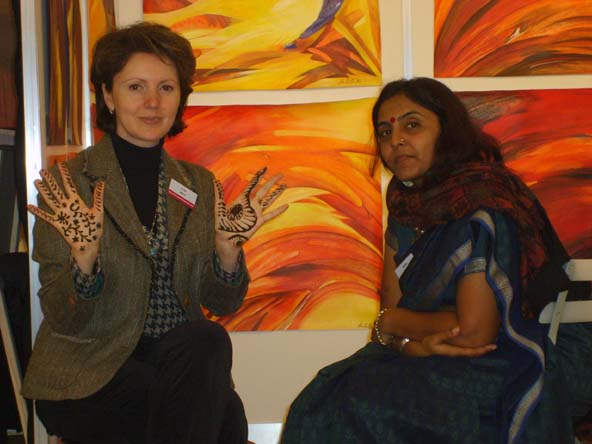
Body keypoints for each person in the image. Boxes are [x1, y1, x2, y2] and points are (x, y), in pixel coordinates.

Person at [281, 77, 592, 443]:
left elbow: (473, 331)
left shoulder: (482, 200)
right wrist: (411, 344)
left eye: (412, 125)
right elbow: (389, 320)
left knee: (357, 402)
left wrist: (396, 324)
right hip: (429, 356)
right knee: (319, 400)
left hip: (502, 364)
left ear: (447, 132)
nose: (396, 140)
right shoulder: (405, 206)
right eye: (385, 132)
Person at [22, 22, 287, 444]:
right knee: (225, 421)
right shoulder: (69, 185)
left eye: (166, 88)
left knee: (207, 339)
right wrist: (84, 266)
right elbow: (63, 315)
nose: (152, 102)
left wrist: (226, 254)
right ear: (108, 95)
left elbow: (221, 303)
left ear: (180, 97)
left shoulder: (198, 184)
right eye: (135, 87)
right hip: (89, 372)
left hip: (176, 364)